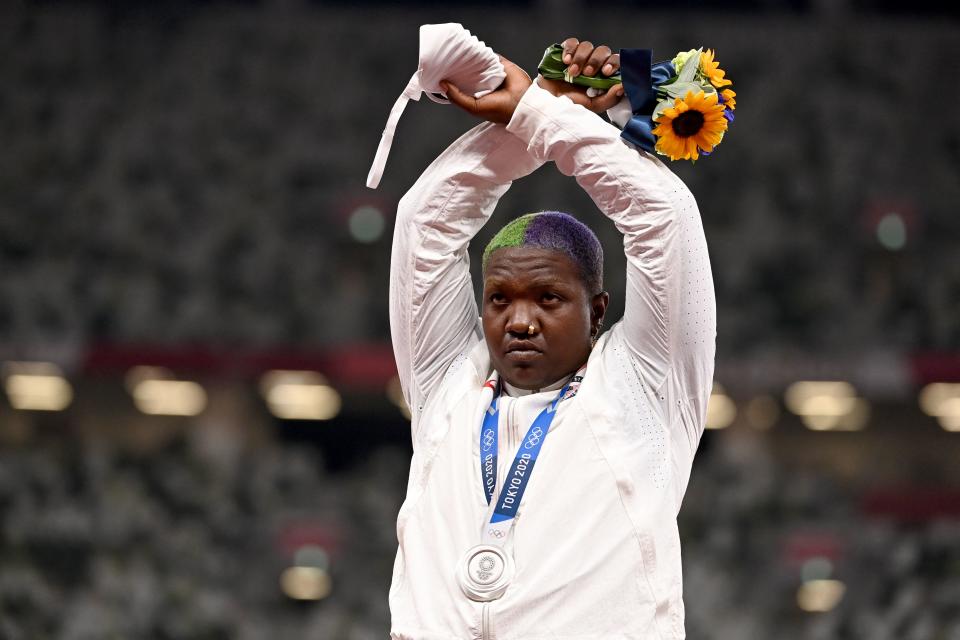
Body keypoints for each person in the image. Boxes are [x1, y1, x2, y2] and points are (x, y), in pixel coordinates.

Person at [388, 37, 716, 639]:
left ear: (597, 311)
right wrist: (542, 109)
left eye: (548, 299)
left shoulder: (643, 387)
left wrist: (538, 116)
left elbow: (662, 217)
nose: (518, 322)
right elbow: (426, 223)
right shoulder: (446, 385)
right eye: (499, 300)